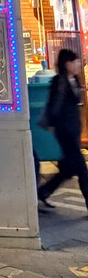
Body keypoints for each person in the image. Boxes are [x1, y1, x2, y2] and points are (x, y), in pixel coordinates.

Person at [37, 49, 88, 212]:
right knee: (82, 170)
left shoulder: (73, 80)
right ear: (67, 63)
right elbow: (55, 106)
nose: (78, 64)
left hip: (72, 130)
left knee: (67, 169)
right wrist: (52, 123)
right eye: (75, 61)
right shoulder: (59, 82)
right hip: (65, 132)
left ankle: (44, 191)